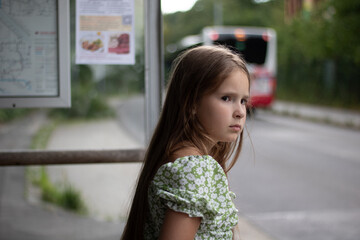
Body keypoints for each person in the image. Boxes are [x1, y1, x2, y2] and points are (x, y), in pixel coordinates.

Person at [121, 45, 250, 240]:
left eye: (243, 101)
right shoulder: (195, 168)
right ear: (191, 104)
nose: (240, 112)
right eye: (226, 98)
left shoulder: (175, 155)